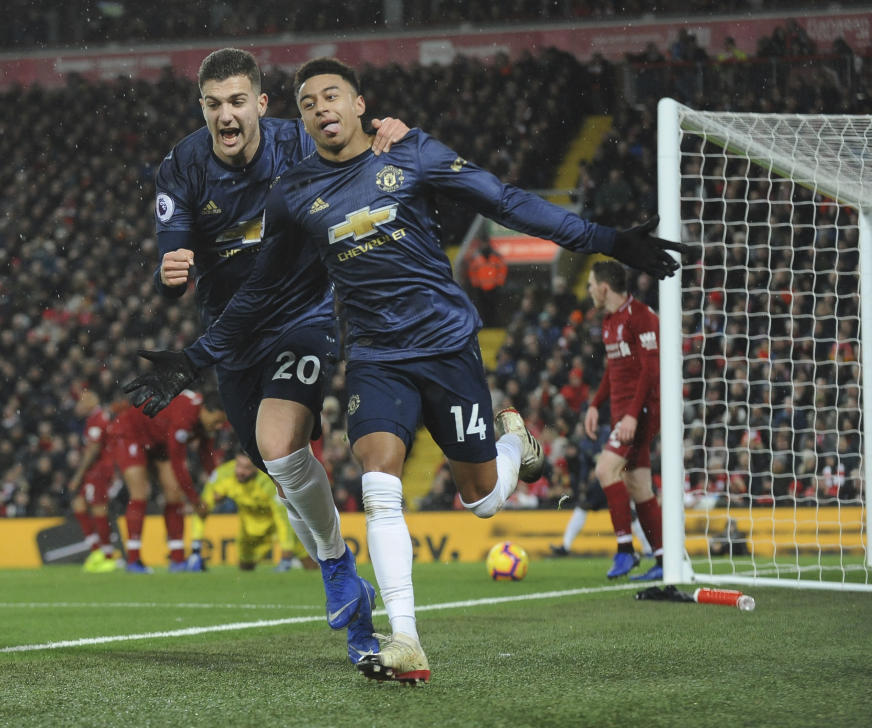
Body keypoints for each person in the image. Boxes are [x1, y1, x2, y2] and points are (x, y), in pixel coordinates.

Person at [124, 57, 686, 684]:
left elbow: (505, 202)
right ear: (300, 118)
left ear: (362, 103)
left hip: (445, 345)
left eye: (332, 96)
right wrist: (191, 358)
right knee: (377, 480)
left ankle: (511, 448)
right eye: (308, 103)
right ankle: (407, 640)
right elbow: (257, 290)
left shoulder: (411, 153)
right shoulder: (293, 192)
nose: (319, 109)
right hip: (372, 353)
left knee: (481, 501)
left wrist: (605, 239)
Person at [144, 48, 408, 663]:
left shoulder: (298, 142)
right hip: (231, 335)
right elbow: (173, 255)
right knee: (283, 479)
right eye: (214, 105)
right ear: (202, 109)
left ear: (261, 103)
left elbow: (365, 141)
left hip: (303, 317)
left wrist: (394, 132)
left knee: (279, 444)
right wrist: (170, 268)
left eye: (237, 101)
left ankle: (340, 573)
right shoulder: (181, 167)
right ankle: (345, 580)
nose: (226, 116)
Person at [583, 261, 665, 581]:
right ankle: (663, 559)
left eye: (591, 284)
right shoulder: (609, 321)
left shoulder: (640, 316)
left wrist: (632, 414)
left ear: (604, 287)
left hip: (641, 411)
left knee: (605, 469)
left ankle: (625, 550)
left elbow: (650, 369)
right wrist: (595, 404)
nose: (589, 290)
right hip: (623, 412)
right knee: (639, 486)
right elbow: (613, 369)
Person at [113, 390, 225, 573]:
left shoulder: (205, 421)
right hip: (132, 432)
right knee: (140, 492)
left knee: (174, 494)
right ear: (205, 410)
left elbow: (207, 455)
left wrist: (219, 487)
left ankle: (177, 559)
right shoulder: (185, 416)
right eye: (217, 420)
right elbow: (178, 463)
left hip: (160, 440)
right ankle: (133, 560)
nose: (219, 426)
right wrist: (195, 501)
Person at [190, 451, 315, 571]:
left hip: (278, 526)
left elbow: (281, 516)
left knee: (310, 563)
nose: (240, 471)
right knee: (245, 568)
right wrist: (196, 549)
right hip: (250, 532)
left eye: (246, 468)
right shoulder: (223, 474)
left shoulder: (268, 480)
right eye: (238, 465)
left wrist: (286, 549)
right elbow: (202, 511)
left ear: (256, 467)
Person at [67, 390, 123, 573]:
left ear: (93, 400)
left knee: (99, 509)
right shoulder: (94, 418)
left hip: (100, 471)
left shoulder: (98, 418)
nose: (79, 405)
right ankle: (97, 550)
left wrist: (77, 476)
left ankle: (107, 556)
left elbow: (93, 450)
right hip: (94, 471)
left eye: (83, 400)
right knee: (79, 504)